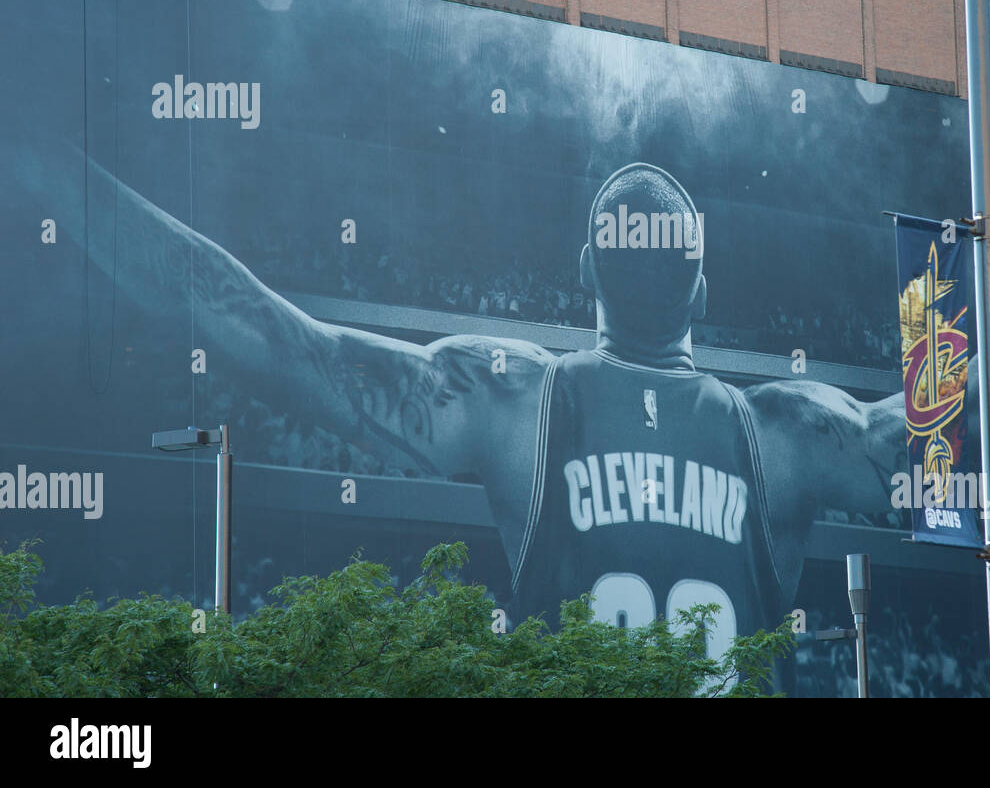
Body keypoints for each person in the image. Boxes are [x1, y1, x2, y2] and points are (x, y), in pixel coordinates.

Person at [15, 141, 919, 659]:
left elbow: (280, 341)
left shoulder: (515, 397)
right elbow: (934, 438)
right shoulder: (790, 433)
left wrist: (63, 165)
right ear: (705, 292)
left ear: (581, 276)